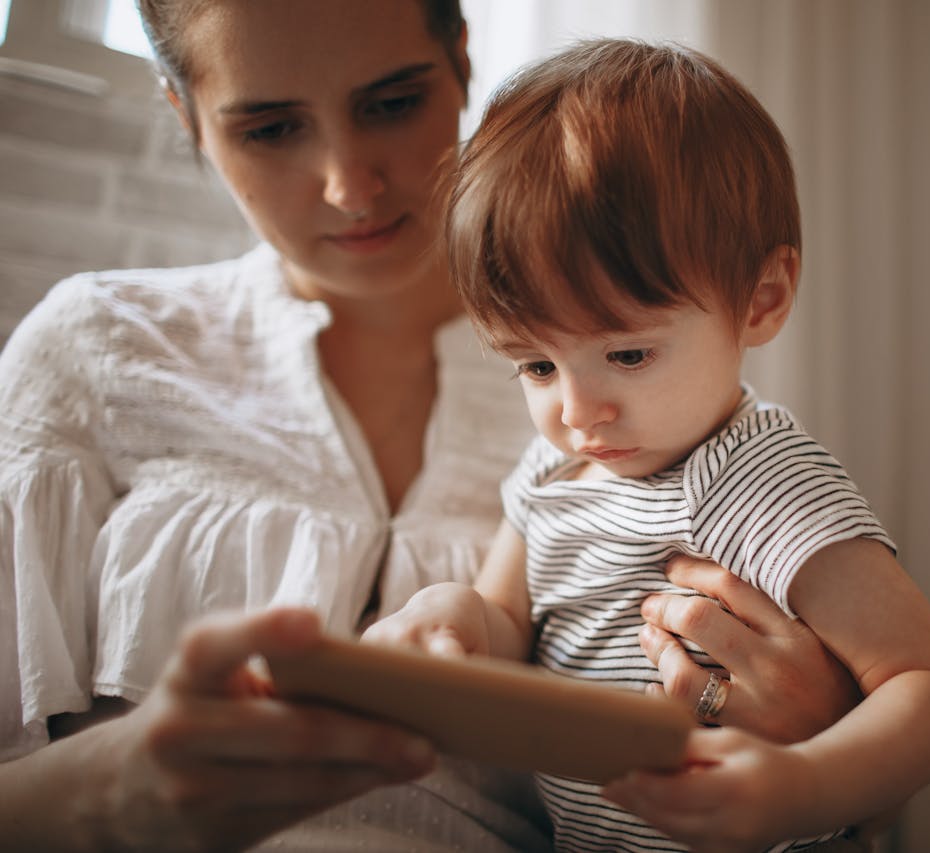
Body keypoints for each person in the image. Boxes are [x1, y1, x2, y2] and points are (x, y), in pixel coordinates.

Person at [0, 2, 867, 851]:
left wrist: (825, 748)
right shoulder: (97, 351)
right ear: (184, 115)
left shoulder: (660, 394)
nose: (350, 185)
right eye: (269, 128)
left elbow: (868, 756)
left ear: (459, 59)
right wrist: (118, 783)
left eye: (390, 104)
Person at [367, 38, 930, 853]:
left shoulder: (755, 476)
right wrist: (451, 616)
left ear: (761, 299)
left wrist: (807, 784)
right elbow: (511, 622)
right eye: (537, 364)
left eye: (626, 355)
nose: (580, 412)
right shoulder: (554, 469)